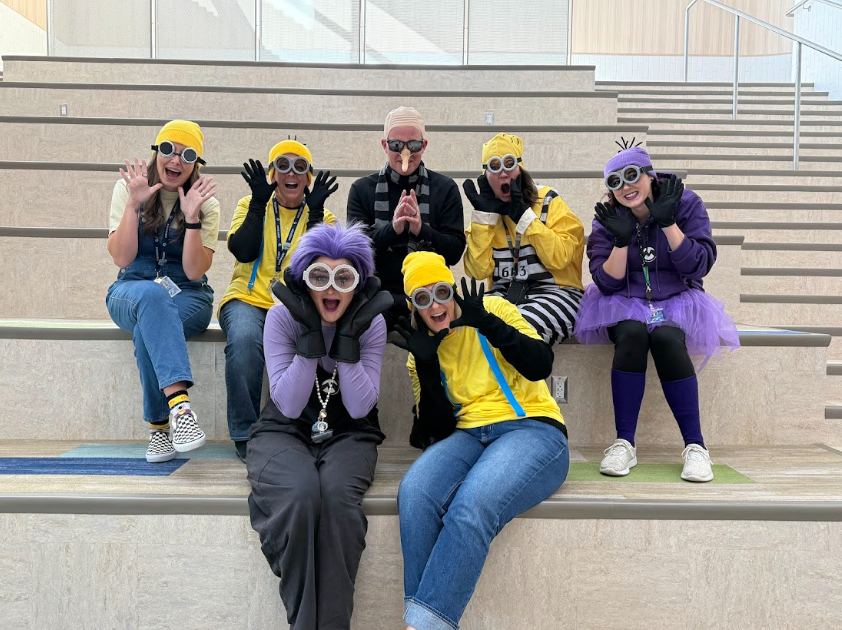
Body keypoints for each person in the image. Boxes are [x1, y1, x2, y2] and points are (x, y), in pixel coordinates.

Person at [393, 251, 569, 630]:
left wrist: (488, 324)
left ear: (452, 289)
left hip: (533, 430)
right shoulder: (420, 350)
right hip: (468, 435)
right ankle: (424, 620)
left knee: (470, 506)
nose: (435, 305)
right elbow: (434, 432)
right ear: (414, 307)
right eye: (422, 299)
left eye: (441, 292)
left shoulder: (492, 307)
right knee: (415, 492)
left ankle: (421, 625)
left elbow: (541, 364)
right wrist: (426, 365)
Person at [246, 223, 392, 630]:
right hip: (283, 429)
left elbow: (361, 404)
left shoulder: (370, 323)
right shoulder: (280, 318)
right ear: (303, 280)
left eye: (344, 278)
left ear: (358, 283)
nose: (331, 289)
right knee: (298, 495)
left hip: (350, 430)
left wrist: (346, 346)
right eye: (319, 276)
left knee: (338, 504)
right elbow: (289, 404)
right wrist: (311, 340)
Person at [575, 145, 739, 482]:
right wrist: (621, 242)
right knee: (633, 332)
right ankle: (624, 443)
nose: (625, 186)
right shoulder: (609, 217)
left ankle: (696, 447)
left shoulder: (685, 203)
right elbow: (606, 282)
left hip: (677, 296)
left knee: (666, 337)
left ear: (649, 175)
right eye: (615, 181)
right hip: (623, 299)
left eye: (632, 175)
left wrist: (667, 224)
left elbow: (698, 265)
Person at [105, 120, 219, 463]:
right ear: (156, 153)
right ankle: (181, 411)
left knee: (148, 326)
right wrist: (132, 207)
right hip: (131, 289)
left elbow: (194, 270)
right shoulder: (128, 189)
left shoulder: (205, 203)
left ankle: (158, 431)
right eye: (168, 150)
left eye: (187, 155)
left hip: (189, 294)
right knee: (152, 299)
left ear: (196, 163)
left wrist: (193, 218)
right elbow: (121, 257)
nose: (176, 160)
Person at [219, 139, 337, 461]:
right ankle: (246, 434)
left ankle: (303, 427)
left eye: (300, 166)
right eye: (282, 165)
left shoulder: (323, 215)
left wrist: (314, 215)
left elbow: (321, 270)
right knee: (243, 341)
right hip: (248, 297)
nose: (291, 172)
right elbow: (243, 251)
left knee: (318, 341)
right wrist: (259, 203)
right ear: (272, 174)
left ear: (309, 178)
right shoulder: (249, 203)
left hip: (296, 302)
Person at [347, 106, 466, 329]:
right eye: (396, 145)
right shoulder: (362, 189)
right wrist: (393, 230)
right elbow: (354, 252)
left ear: (424, 145)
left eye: (413, 145)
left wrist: (422, 231)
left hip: (432, 293)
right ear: (384, 145)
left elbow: (455, 251)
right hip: (379, 293)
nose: (405, 152)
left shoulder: (445, 188)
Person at [463, 132, 585, 344]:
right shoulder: (488, 214)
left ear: (520, 169)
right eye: (494, 166)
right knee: (467, 330)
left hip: (557, 293)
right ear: (486, 177)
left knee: (516, 330)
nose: (503, 174)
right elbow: (477, 271)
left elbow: (560, 257)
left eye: (509, 164)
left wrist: (525, 218)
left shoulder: (548, 200)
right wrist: (483, 220)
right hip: (503, 296)